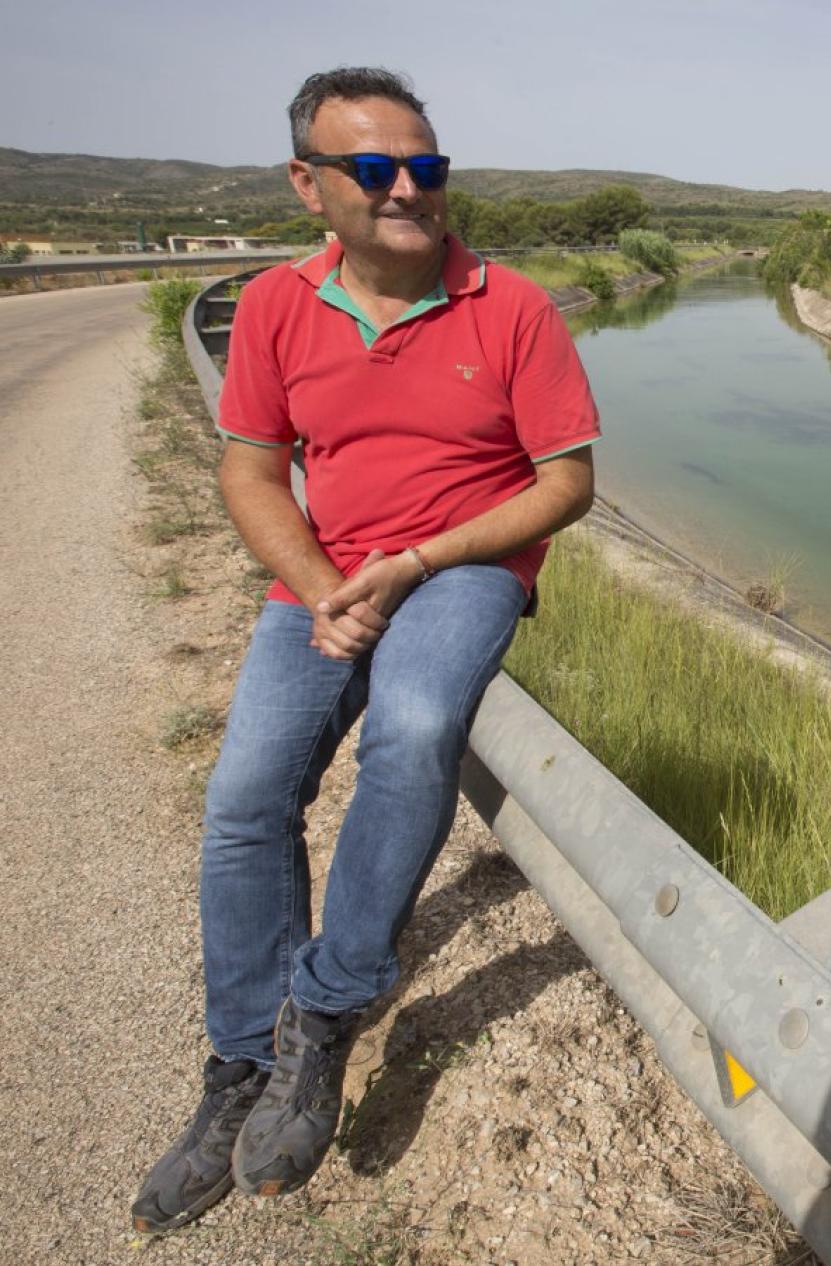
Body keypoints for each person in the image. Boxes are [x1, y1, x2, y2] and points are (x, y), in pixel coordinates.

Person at [132, 67, 599, 1234]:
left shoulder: (513, 306)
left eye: (425, 168)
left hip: (462, 566)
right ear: (309, 184)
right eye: (374, 168)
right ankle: (241, 1065)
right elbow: (248, 469)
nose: (407, 189)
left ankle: (325, 1014)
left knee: (415, 726)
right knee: (243, 797)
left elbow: (567, 485)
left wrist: (422, 561)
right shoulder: (282, 305)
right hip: (325, 572)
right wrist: (318, 588)